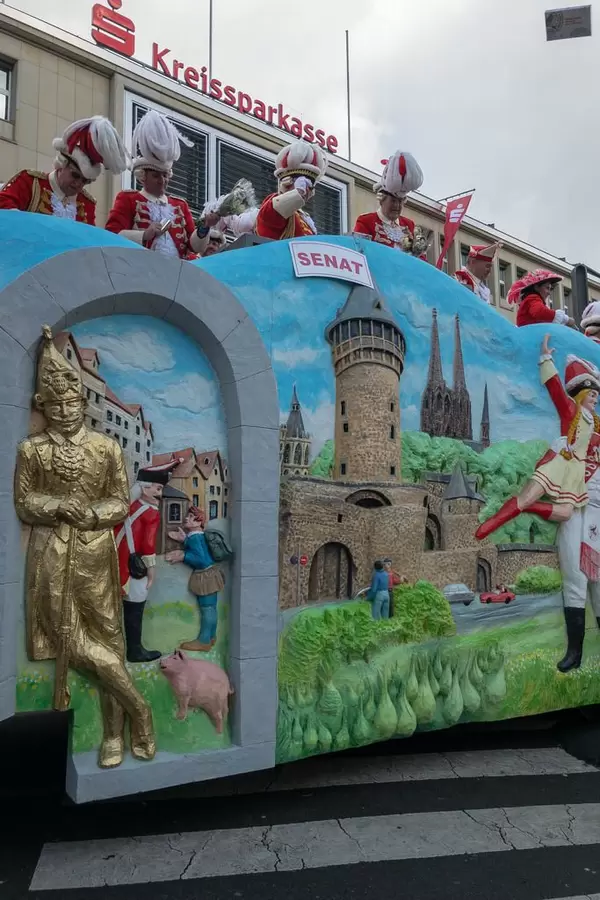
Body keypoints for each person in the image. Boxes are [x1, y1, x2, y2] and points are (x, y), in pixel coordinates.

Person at [13, 326, 155, 769]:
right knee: (69, 642)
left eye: (72, 402)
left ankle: (116, 733)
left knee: (109, 642)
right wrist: (57, 505)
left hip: (95, 555)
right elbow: (23, 500)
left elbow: (119, 498)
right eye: (55, 405)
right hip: (51, 554)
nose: (65, 411)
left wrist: (92, 514)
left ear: (83, 402)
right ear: (44, 407)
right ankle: (140, 709)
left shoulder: (107, 447)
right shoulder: (31, 449)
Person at [476, 336, 600, 541]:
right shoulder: (570, 409)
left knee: (566, 513)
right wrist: (546, 358)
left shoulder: (595, 424)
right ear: (582, 394)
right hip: (560, 464)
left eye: (596, 396)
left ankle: (526, 508)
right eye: (592, 395)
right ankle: (489, 526)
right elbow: (555, 389)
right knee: (525, 497)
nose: (595, 400)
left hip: (575, 473)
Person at [105, 109, 208, 259]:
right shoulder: (128, 199)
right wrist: (144, 235)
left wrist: (205, 227)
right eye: (155, 175)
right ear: (143, 176)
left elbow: (193, 247)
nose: (162, 180)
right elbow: (112, 235)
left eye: (165, 175)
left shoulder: (180, 205)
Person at [0, 116, 128, 224]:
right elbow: (3, 205)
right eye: (75, 175)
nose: (79, 184)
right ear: (62, 165)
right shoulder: (30, 182)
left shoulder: (87, 203)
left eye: (85, 181)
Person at [115, 460, 181, 662]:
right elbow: (148, 546)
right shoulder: (151, 513)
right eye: (158, 488)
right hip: (133, 568)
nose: (160, 494)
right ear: (145, 487)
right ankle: (134, 650)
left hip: (115, 564)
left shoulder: (128, 507)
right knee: (135, 608)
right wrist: (151, 571)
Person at [557, 430, 600, 672]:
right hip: (573, 513)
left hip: (598, 513)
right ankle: (575, 653)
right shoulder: (565, 444)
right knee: (574, 581)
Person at [166, 506, 225, 652]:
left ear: (199, 522)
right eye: (188, 516)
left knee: (207, 609)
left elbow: (200, 559)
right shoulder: (197, 536)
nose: (187, 518)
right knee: (211, 608)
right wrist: (184, 540)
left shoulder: (195, 538)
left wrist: (183, 556)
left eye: (192, 517)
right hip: (211, 574)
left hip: (205, 576)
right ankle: (211, 636)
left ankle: (203, 640)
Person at [353, 152, 425, 257]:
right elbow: (359, 253)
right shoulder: (365, 221)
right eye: (393, 201)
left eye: (400, 201)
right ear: (382, 200)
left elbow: (421, 261)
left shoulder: (409, 225)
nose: (397, 206)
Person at [255, 139, 327, 240]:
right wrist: (294, 193)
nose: (306, 189)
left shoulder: (305, 218)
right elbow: (272, 214)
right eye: (302, 182)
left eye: (309, 185)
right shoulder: (272, 208)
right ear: (288, 182)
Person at [508, 269, 576, 328]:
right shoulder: (532, 298)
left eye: (550, 289)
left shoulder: (531, 300)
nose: (549, 293)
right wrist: (566, 319)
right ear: (537, 287)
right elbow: (540, 312)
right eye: (547, 288)